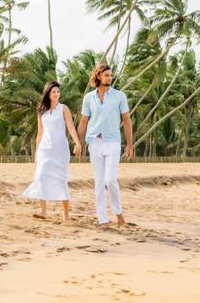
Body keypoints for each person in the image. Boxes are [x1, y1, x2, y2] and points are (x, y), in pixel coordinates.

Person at [77, 64, 133, 226]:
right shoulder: (89, 98)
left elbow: (127, 120)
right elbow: (83, 121)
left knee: (110, 180)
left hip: (113, 142)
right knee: (99, 182)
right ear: (99, 76)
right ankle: (102, 218)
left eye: (111, 75)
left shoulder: (119, 96)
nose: (110, 77)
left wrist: (130, 145)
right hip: (94, 143)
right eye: (107, 75)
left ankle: (118, 212)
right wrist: (78, 143)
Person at [23, 81, 82, 221]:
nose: (56, 94)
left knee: (61, 179)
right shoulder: (41, 111)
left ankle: (66, 215)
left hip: (60, 149)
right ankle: (43, 211)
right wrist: (37, 152)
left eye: (58, 91)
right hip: (44, 149)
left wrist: (77, 142)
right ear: (48, 93)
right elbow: (40, 132)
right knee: (41, 177)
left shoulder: (63, 108)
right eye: (53, 91)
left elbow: (71, 127)